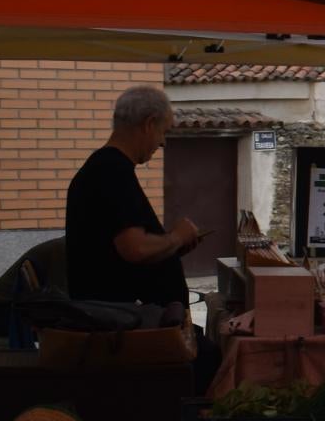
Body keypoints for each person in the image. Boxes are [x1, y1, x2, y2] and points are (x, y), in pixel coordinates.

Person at [65, 86, 219, 390]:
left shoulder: (106, 169)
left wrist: (173, 248)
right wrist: (175, 237)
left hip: (125, 324)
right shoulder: (111, 172)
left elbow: (122, 251)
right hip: (125, 329)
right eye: (163, 132)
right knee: (209, 361)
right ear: (148, 124)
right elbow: (133, 248)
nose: (161, 142)